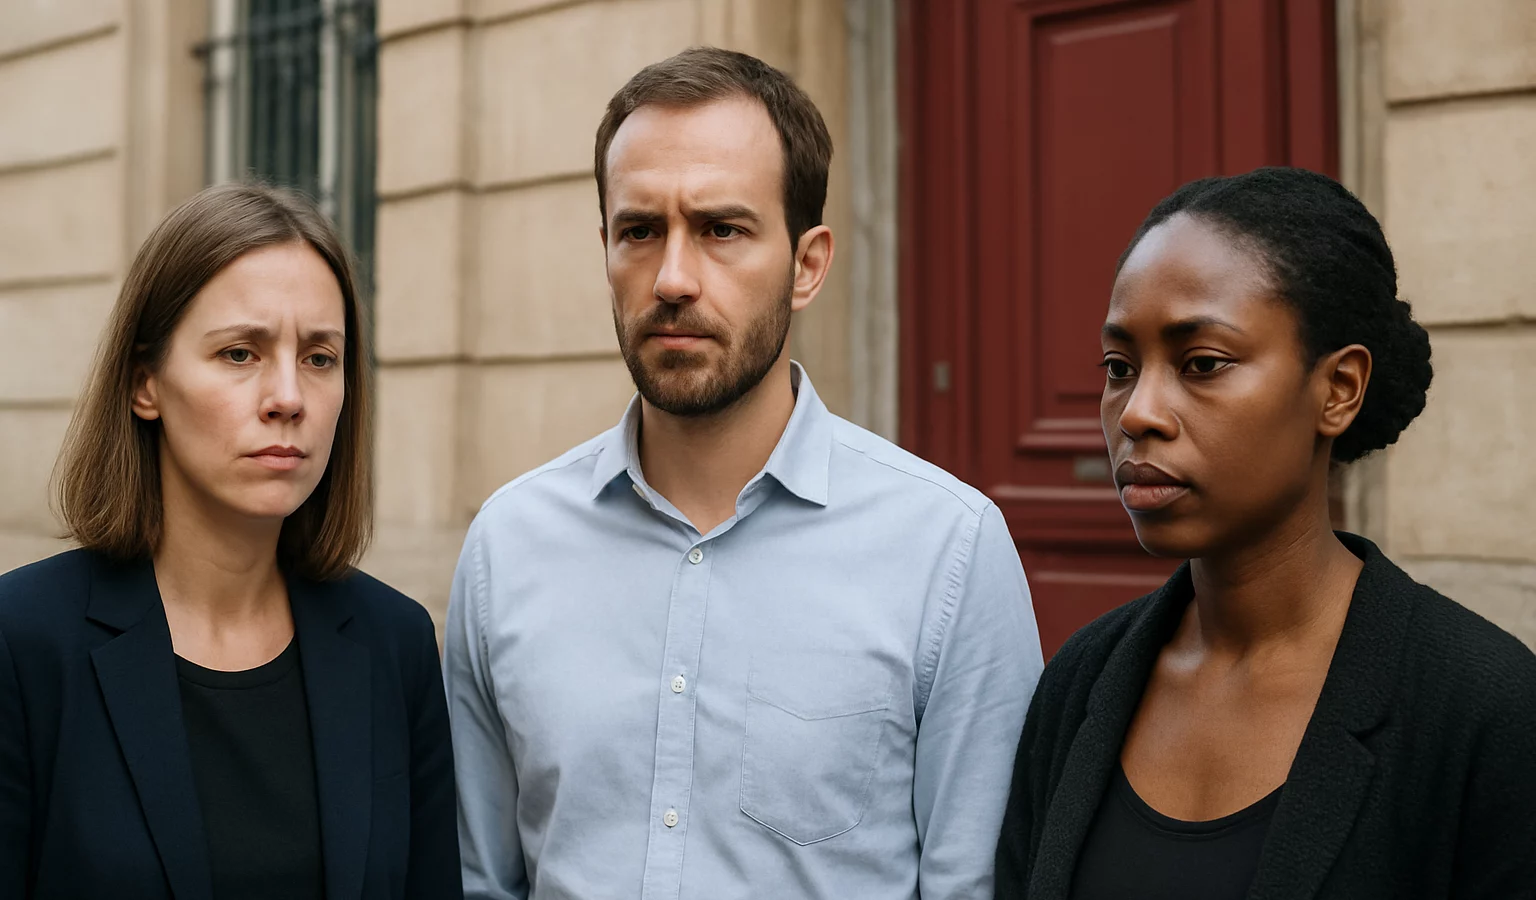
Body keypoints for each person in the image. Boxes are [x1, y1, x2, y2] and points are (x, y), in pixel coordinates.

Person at [445, 47, 1043, 899]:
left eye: (721, 229)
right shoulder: (507, 548)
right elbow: (481, 881)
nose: (673, 279)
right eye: (639, 231)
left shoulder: (948, 550)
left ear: (808, 265)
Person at [993, 167, 1536, 900]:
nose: (1137, 413)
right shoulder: (1080, 681)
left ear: (1338, 389)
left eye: (1202, 364)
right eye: (1119, 367)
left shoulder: (1484, 711)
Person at [0, 183, 462, 899]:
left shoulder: (394, 645)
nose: (289, 398)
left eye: (320, 357)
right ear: (145, 383)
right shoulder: (22, 640)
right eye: (241, 353)